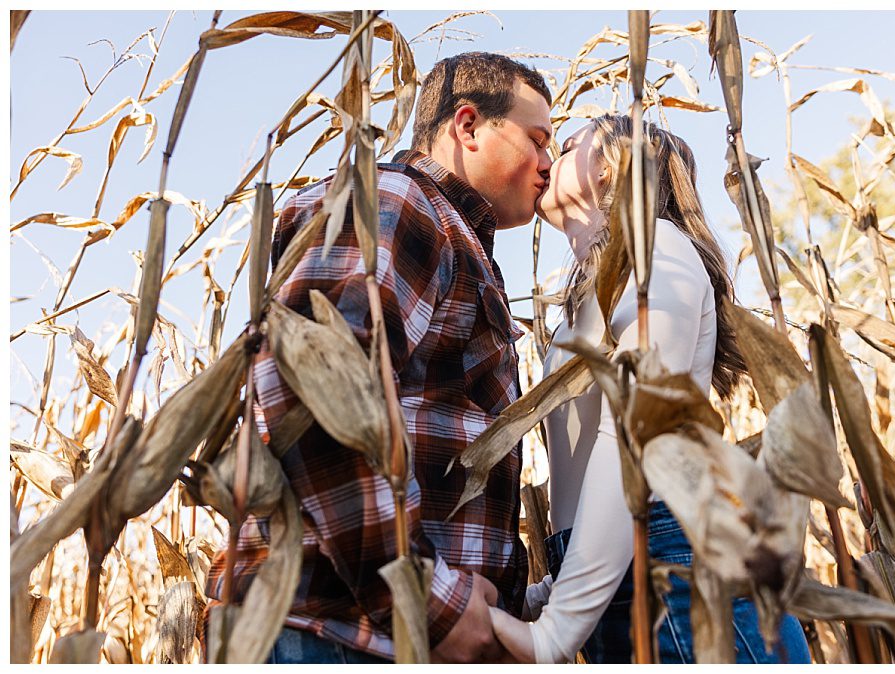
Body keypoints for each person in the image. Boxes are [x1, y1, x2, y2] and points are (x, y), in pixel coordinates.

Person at [203, 52, 553, 664]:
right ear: (467, 126)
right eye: (536, 139)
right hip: (340, 632)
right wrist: (427, 600)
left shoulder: (447, 232)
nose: (547, 162)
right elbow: (312, 396)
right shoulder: (399, 204)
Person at [488, 114, 812, 664]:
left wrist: (559, 629)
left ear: (615, 167)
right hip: (629, 566)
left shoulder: (655, 247)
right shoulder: (598, 284)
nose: (546, 160)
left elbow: (636, 438)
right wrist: (552, 589)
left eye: (566, 146)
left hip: (675, 561)